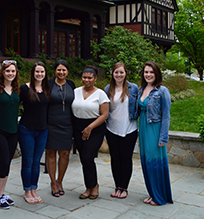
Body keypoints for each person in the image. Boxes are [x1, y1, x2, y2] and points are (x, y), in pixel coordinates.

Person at [71, 65, 109, 200]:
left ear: (95, 79)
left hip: (95, 128)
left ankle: (94, 186)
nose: (86, 80)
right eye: (84, 77)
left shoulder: (100, 94)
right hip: (78, 127)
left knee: (88, 157)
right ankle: (88, 187)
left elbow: (104, 115)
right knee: (83, 158)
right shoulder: (75, 91)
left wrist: (89, 128)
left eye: (89, 78)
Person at [138, 61, 173, 206]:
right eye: (146, 72)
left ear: (157, 74)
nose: (148, 75)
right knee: (146, 162)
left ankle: (160, 197)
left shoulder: (162, 91)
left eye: (151, 72)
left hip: (155, 128)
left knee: (155, 162)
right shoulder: (141, 89)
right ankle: (152, 194)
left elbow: (166, 115)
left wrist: (163, 137)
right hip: (143, 128)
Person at [104, 62, 138, 199]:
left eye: (121, 72)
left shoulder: (133, 88)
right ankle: (117, 186)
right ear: (112, 73)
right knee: (115, 159)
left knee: (126, 158)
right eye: (116, 72)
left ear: (125, 73)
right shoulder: (108, 88)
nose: (119, 75)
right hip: (111, 129)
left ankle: (124, 188)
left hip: (129, 129)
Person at [18, 62, 50, 204]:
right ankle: (27, 191)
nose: (39, 74)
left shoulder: (47, 89)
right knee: (28, 161)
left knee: (36, 162)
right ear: (33, 73)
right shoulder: (24, 89)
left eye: (42, 72)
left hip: (43, 130)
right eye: (37, 71)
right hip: (27, 130)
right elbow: (12, 103)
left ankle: (34, 190)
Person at [0, 60, 20, 209]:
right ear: (2, 72)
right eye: (8, 71)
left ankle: (2, 194)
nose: (10, 74)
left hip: (13, 131)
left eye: (13, 71)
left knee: (7, 164)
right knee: (2, 164)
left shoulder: (17, 89)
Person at [46, 59, 76, 197]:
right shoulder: (49, 84)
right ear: (55, 71)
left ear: (67, 71)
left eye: (64, 70)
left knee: (64, 154)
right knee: (51, 153)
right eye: (59, 69)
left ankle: (60, 181)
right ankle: (53, 182)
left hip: (67, 124)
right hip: (50, 123)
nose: (61, 72)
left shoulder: (71, 84)